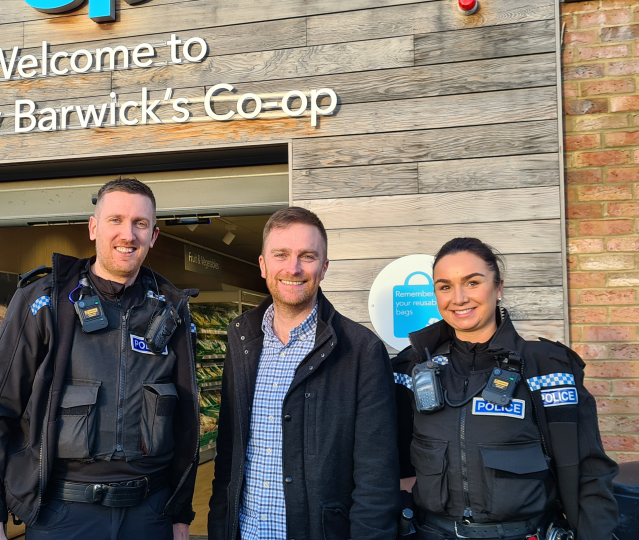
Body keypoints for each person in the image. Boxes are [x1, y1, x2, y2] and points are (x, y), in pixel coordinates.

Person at [0, 178, 199, 540]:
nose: (128, 234)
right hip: (63, 516)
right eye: (116, 220)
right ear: (93, 228)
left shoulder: (171, 310)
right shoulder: (44, 302)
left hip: (150, 514)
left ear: (153, 236)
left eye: (141, 224)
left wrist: (180, 514)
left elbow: (187, 423)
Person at [393, 237, 619, 540]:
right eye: (445, 286)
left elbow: (589, 472)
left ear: (498, 287)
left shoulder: (549, 368)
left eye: (473, 282)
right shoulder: (410, 369)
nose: (458, 298)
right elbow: (385, 463)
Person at [208, 206, 400, 540]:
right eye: (280, 254)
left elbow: (377, 479)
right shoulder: (241, 337)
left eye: (307, 256)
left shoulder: (361, 350)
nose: (293, 268)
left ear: (324, 268)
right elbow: (228, 455)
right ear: (263, 265)